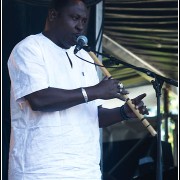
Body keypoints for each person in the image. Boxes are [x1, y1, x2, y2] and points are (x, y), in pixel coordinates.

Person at [7, 0, 149, 179]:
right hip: (40, 170)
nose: (80, 26)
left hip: (85, 169)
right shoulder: (29, 48)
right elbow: (39, 99)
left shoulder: (85, 57)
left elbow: (92, 116)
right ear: (53, 15)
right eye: (74, 18)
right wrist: (95, 91)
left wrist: (124, 112)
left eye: (84, 20)